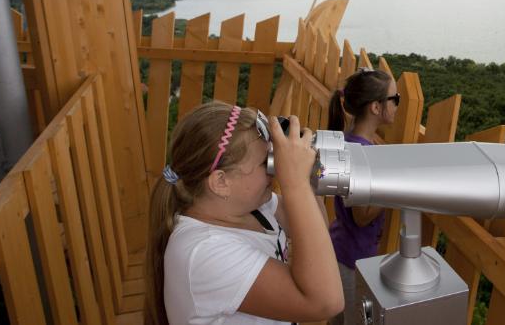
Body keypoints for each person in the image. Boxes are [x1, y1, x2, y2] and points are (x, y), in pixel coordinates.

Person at [144, 102, 343, 325]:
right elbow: (325, 303)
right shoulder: (204, 253)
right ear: (221, 182)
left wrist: (305, 171)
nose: (274, 170)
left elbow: (316, 228)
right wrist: (295, 183)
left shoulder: (250, 207)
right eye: (264, 163)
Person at [326, 68, 399, 324]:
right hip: (351, 259)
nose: (397, 105)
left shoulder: (351, 141)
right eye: (394, 99)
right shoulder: (361, 153)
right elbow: (361, 216)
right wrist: (393, 186)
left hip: (341, 247)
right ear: (376, 108)